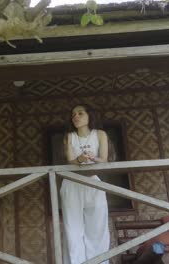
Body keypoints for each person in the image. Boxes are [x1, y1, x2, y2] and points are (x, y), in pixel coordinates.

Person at [61, 104, 110, 264]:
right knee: (72, 229)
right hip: (72, 182)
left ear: (90, 116)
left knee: (97, 227)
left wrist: (92, 158)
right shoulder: (69, 136)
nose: (76, 116)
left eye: (80, 113)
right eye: (73, 114)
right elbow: (70, 162)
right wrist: (79, 159)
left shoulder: (100, 134)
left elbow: (104, 159)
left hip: (93, 182)